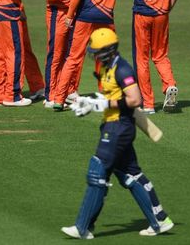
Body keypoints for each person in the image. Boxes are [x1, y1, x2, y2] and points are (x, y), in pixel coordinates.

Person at [61, 28, 174, 239]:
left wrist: (100, 104)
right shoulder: (107, 68)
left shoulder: (122, 69)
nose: (93, 55)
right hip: (112, 125)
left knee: (97, 171)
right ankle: (159, 220)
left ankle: (83, 227)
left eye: (96, 51)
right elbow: (111, 97)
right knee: (130, 175)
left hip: (119, 128)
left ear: (106, 51)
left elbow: (134, 99)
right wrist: (89, 103)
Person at [115, 0, 179, 114]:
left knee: (142, 59)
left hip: (142, 16)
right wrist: (165, 10)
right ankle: (169, 85)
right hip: (161, 15)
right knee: (160, 55)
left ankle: (148, 103)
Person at [43, 0, 77, 108]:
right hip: (58, 14)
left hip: (71, 14)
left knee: (68, 54)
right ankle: (50, 95)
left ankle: (64, 92)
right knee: (55, 55)